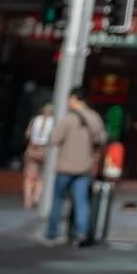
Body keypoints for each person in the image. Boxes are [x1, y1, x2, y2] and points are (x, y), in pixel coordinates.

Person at [46, 88, 105, 246]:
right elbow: (101, 138)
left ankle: (52, 233)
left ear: (74, 99)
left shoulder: (68, 119)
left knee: (58, 201)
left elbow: (54, 139)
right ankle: (81, 232)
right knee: (81, 202)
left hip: (65, 167)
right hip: (84, 168)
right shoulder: (94, 118)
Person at [23, 100, 54, 210]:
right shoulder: (53, 121)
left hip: (33, 148)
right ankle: (36, 196)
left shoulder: (35, 120)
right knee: (41, 176)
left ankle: (27, 200)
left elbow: (27, 134)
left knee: (30, 176)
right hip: (45, 149)